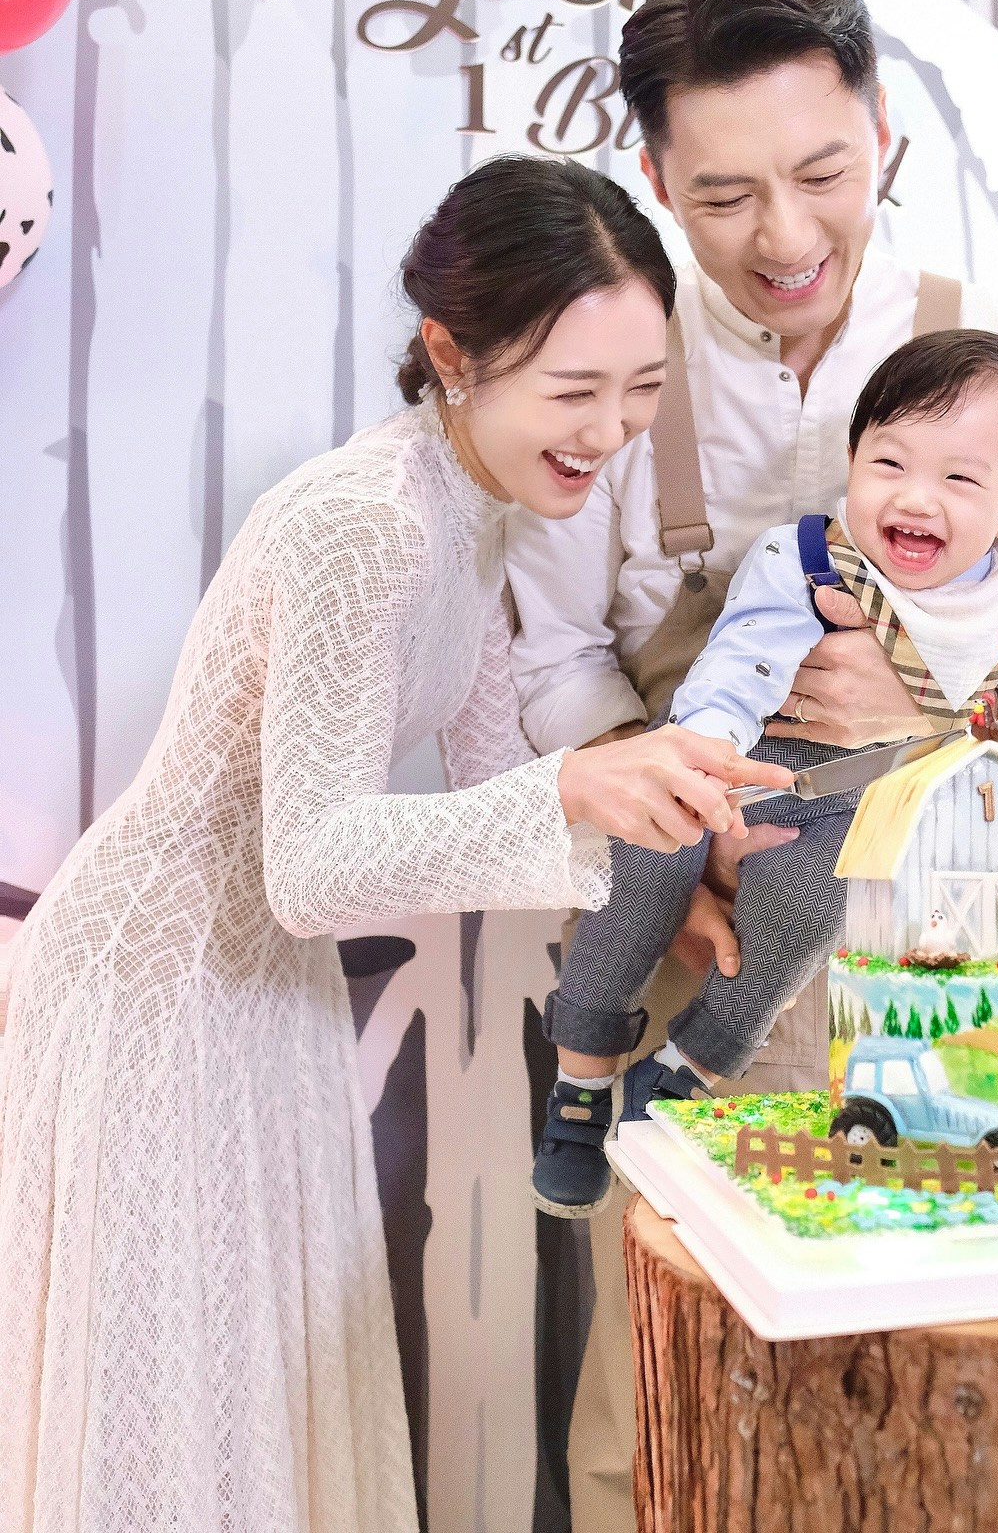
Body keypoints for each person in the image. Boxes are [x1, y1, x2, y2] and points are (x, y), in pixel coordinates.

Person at [0, 157, 789, 1533]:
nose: (610, 432)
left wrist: (662, 885)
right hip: (151, 984)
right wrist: (580, 794)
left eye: (640, 391)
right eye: (575, 390)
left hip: (261, 989)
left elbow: (490, 781)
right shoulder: (361, 523)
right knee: (173, 1413)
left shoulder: (474, 512)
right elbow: (314, 867)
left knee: (261, 1399)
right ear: (452, 353)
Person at [503, 0, 998, 1528]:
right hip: (690, 915)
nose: (785, 237)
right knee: (670, 1373)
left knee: (932, 1369)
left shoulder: (990, 345)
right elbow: (554, 653)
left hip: (937, 940)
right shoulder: (614, 363)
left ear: (883, 130)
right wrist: (681, 840)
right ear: (653, 177)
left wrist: (928, 702)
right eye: (724, 195)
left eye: (825, 174)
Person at [532, 329, 998, 1214]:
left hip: (848, 812)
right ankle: (580, 1079)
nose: (915, 497)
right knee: (639, 867)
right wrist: (704, 763)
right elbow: (739, 665)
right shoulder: (810, 559)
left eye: (959, 479)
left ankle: (685, 1066)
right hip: (728, 764)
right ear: (853, 460)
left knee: (814, 906)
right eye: (889, 463)